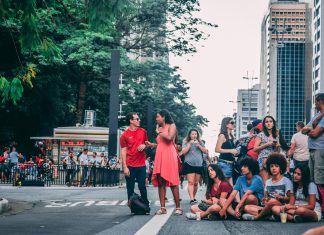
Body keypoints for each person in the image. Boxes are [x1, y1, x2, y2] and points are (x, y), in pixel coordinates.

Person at [147, 110, 182, 215]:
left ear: (164, 117)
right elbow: (161, 143)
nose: (156, 119)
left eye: (158, 117)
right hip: (160, 155)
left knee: (173, 181)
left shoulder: (172, 126)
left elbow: (170, 138)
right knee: (161, 181)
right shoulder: (160, 128)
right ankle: (162, 208)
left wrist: (159, 132)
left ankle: (178, 207)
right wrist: (152, 145)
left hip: (169, 155)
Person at [243, 153, 293, 220]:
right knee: (246, 207)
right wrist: (265, 199)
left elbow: (290, 198)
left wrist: (281, 197)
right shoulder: (268, 182)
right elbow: (266, 197)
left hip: (280, 206)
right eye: (271, 166)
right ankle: (269, 216)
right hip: (268, 207)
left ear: (281, 167)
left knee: (272, 201)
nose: (273, 168)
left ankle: (258, 217)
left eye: (276, 166)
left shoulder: (286, 181)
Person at [120, 112, 150, 210]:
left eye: (138, 118)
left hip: (141, 164)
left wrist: (145, 146)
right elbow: (123, 151)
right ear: (131, 121)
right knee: (130, 188)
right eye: (137, 119)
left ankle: (146, 206)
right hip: (130, 165)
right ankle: (133, 208)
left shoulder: (143, 131)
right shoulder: (124, 135)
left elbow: (147, 144)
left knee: (142, 186)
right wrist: (124, 167)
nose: (139, 120)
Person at [302, 93, 324, 212]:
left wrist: (309, 130)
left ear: (320, 101)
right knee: (312, 179)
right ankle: (316, 205)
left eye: (316, 101)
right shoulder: (316, 115)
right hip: (312, 150)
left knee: (320, 180)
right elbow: (303, 130)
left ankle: (322, 207)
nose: (315, 103)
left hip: (320, 150)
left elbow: (315, 133)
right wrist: (310, 129)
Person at [181, 129, 208, 204]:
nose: (194, 135)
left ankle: (194, 196)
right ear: (189, 135)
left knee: (196, 183)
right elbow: (183, 152)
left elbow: (205, 151)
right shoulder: (185, 141)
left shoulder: (200, 141)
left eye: (195, 134)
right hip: (189, 163)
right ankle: (192, 199)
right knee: (190, 182)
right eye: (192, 134)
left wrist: (198, 145)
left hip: (199, 164)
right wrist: (189, 144)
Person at [253, 116, 281, 183]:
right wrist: (267, 144)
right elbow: (255, 149)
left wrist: (278, 146)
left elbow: (277, 152)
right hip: (263, 159)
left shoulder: (276, 135)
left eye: (270, 121)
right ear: (264, 124)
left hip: (273, 160)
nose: (269, 123)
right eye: (267, 122)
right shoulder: (261, 135)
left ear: (273, 123)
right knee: (266, 183)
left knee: (273, 182)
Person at [215, 117, 239, 186]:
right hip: (224, 164)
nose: (233, 124)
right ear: (226, 125)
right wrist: (231, 150)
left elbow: (230, 150)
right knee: (226, 187)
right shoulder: (222, 135)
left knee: (231, 188)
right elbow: (217, 149)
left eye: (234, 123)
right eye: (232, 123)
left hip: (230, 164)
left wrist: (235, 152)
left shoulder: (231, 136)